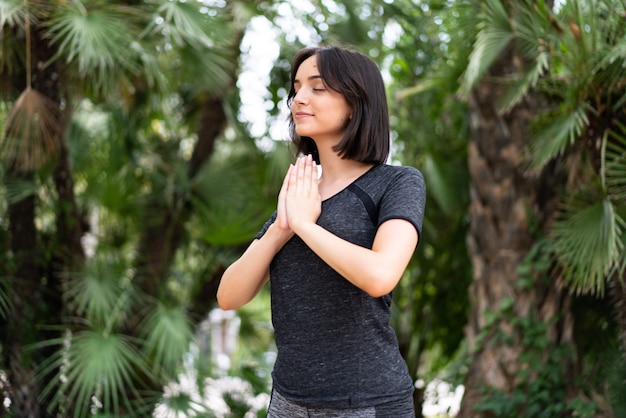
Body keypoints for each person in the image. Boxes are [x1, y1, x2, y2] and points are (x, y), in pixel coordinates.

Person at [217, 45, 426, 418]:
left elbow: (381, 275)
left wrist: (304, 225)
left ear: (356, 101)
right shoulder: (299, 194)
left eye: (318, 87)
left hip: (366, 403)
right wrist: (283, 228)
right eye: (296, 88)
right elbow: (229, 295)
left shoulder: (396, 183)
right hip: (287, 403)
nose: (299, 98)